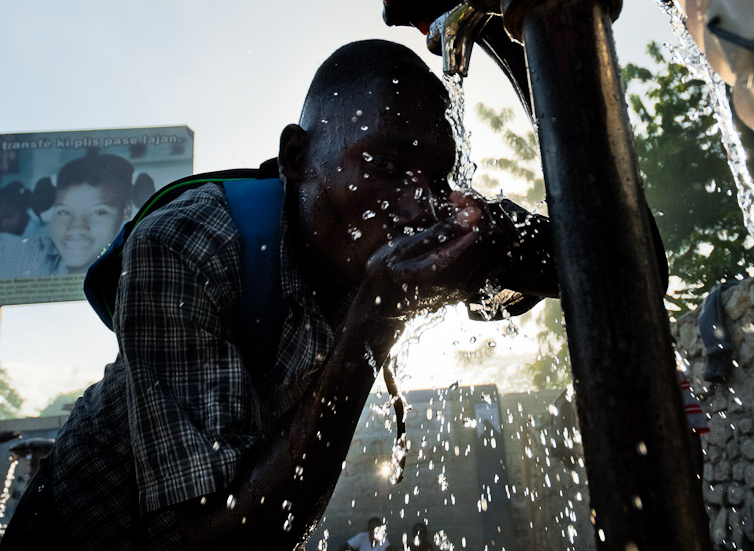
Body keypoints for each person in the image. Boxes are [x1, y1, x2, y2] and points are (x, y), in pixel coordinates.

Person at [0, 40, 559, 550]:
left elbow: (613, 257)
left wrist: (496, 235)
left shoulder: (411, 233)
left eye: (438, 181)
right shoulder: (187, 245)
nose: (416, 206)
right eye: (384, 167)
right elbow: (222, 544)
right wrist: (375, 319)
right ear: (297, 158)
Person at [0, 154, 138, 278]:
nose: (76, 227)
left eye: (98, 212)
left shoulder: (137, 270)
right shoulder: (33, 257)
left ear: (126, 211)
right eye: (64, 212)